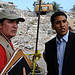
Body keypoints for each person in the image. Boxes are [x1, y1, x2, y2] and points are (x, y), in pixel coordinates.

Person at [43, 11, 75, 75]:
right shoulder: (49, 46)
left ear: (67, 23)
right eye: (58, 23)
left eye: (64, 21)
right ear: (53, 27)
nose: (62, 25)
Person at [0, 9, 26, 75]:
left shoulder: (6, 41)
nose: (15, 26)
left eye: (17, 22)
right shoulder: (0, 47)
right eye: (10, 22)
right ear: (0, 25)